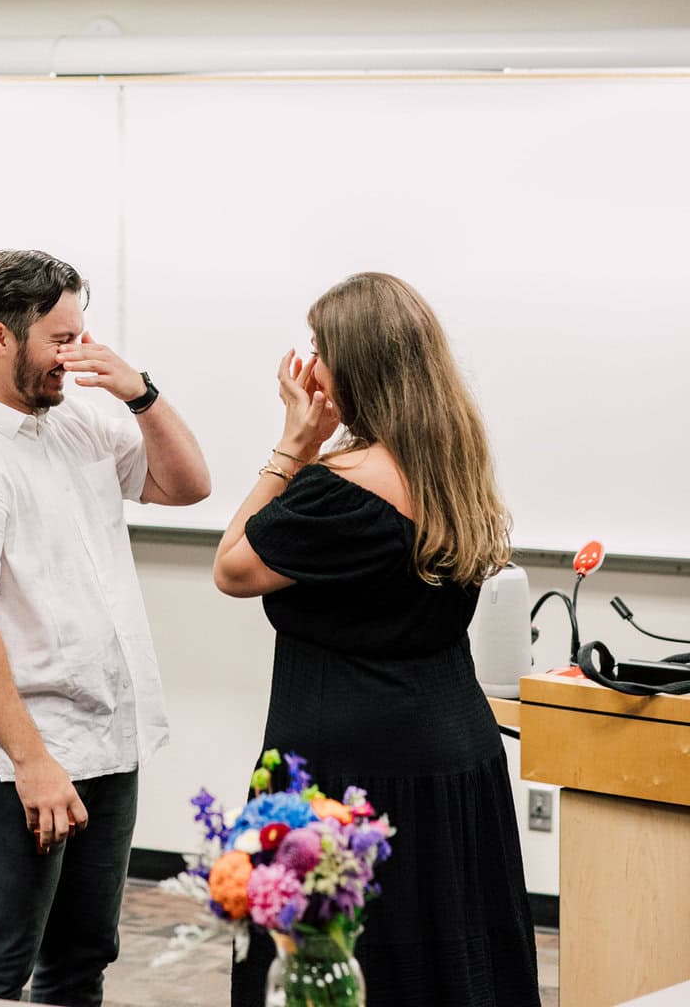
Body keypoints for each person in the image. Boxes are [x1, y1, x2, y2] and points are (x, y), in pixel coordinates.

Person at [0, 250, 212, 1004]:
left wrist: (142, 396)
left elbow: (187, 484)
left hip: (105, 738)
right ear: (0, 338)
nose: (78, 355)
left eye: (81, 334)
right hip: (14, 759)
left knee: (82, 959)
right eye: (60, 339)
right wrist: (33, 762)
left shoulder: (80, 423)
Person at [213, 272, 538, 1004]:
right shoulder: (452, 466)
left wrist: (292, 444)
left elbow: (233, 568)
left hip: (353, 772)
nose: (308, 366)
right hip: (455, 751)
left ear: (355, 366)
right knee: (449, 963)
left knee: (348, 971)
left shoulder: (341, 488)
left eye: (320, 349)